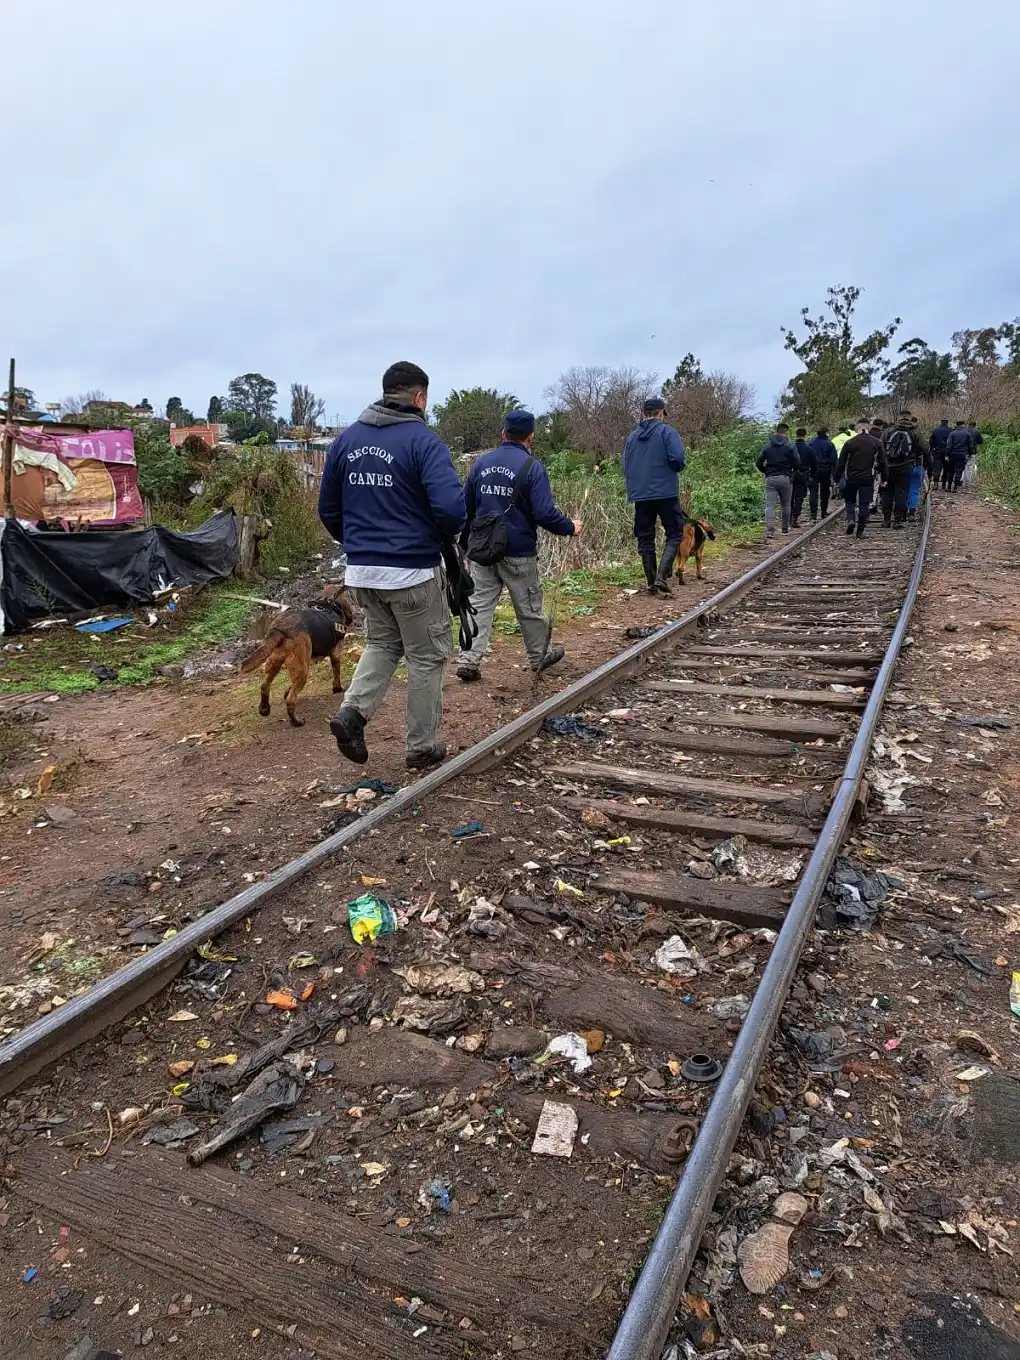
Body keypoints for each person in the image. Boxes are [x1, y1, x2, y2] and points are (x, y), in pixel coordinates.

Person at [318, 360, 465, 770]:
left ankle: (352, 714)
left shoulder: (345, 441)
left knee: (383, 643)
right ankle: (422, 746)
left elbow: (328, 509)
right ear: (419, 397)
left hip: (362, 573)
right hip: (413, 572)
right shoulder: (423, 442)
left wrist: (359, 544)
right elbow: (452, 511)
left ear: (385, 393)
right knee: (426, 656)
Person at [456, 410, 580, 683]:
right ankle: (539, 657)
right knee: (530, 607)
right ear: (530, 437)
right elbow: (544, 513)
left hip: (483, 551)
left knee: (479, 605)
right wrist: (570, 527)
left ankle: (468, 660)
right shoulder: (533, 468)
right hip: (518, 551)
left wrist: (464, 547)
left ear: (503, 433)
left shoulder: (480, 464)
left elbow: (465, 509)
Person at [622, 396, 687, 595]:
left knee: (645, 537)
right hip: (665, 491)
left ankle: (651, 582)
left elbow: (625, 465)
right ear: (661, 414)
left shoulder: (632, 437)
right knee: (675, 532)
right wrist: (676, 468)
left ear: (643, 414)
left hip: (640, 495)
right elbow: (677, 458)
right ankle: (661, 577)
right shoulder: (668, 431)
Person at [836, 425, 887, 539]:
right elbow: (883, 462)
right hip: (868, 477)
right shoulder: (876, 442)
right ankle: (860, 531)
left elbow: (841, 462)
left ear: (857, 431)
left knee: (850, 501)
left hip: (851, 477)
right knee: (864, 504)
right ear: (868, 431)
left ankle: (851, 519)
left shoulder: (850, 442)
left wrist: (836, 478)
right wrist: (885, 478)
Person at [755, 423, 800, 538]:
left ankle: (770, 530)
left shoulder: (767, 446)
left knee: (770, 505)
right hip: (785, 478)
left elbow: (758, 462)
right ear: (786, 432)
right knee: (786, 504)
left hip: (771, 478)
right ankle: (785, 528)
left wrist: (765, 471)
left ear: (776, 431)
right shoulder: (790, 446)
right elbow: (797, 462)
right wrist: (792, 471)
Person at [880, 411, 923, 528]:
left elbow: (880, 448)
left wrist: (880, 465)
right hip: (905, 466)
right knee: (901, 492)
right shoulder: (914, 433)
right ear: (909, 419)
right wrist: (930, 468)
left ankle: (886, 520)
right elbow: (925, 449)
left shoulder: (888, 431)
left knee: (887, 493)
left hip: (888, 467)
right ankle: (897, 520)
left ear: (898, 418)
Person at [807, 426, 838, 519]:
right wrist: (834, 473)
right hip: (825, 470)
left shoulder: (810, 443)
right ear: (826, 433)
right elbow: (833, 460)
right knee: (825, 491)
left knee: (813, 492)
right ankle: (823, 511)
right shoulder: (829, 444)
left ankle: (813, 513)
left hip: (812, 470)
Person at [791, 428, 816, 528]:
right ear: (805, 435)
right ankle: (795, 518)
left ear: (796, 435)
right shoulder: (809, 449)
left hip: (791, 474)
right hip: (803, 474)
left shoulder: (790, 447)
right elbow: (815, 464)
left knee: (789, 497)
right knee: (799, 497)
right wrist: (812, 475)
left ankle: (787, 518)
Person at [905, 416, 929, 518]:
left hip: (901, 467)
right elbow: (927, 451)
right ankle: (912, 511)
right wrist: (929, 468)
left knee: (902, 489)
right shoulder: (919, 435)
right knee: (914, 490)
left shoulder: (897, 433)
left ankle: (901, 512)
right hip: (917, 465)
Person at [945, 419, 973, 491]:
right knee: (959, 471)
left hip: (952, 454)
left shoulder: (952, 433)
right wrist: (969, 454)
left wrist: (947, 455)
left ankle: (949, 487)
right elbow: (970, 446)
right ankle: (955, 487)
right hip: (962, 454)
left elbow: (949, 445)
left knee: (951, 471)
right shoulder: (967, 434)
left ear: (956, 425)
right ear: (963, 425)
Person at [929, 416, 951, 488]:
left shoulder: (936, 430)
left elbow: (931, 441)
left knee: (937, 467)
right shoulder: (951, 430)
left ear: (941, 422)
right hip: (947, 451)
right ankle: (944, 483)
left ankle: (936, 483)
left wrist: (932, 449)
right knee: (946, 468)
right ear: (947, 422)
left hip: (938, 451)